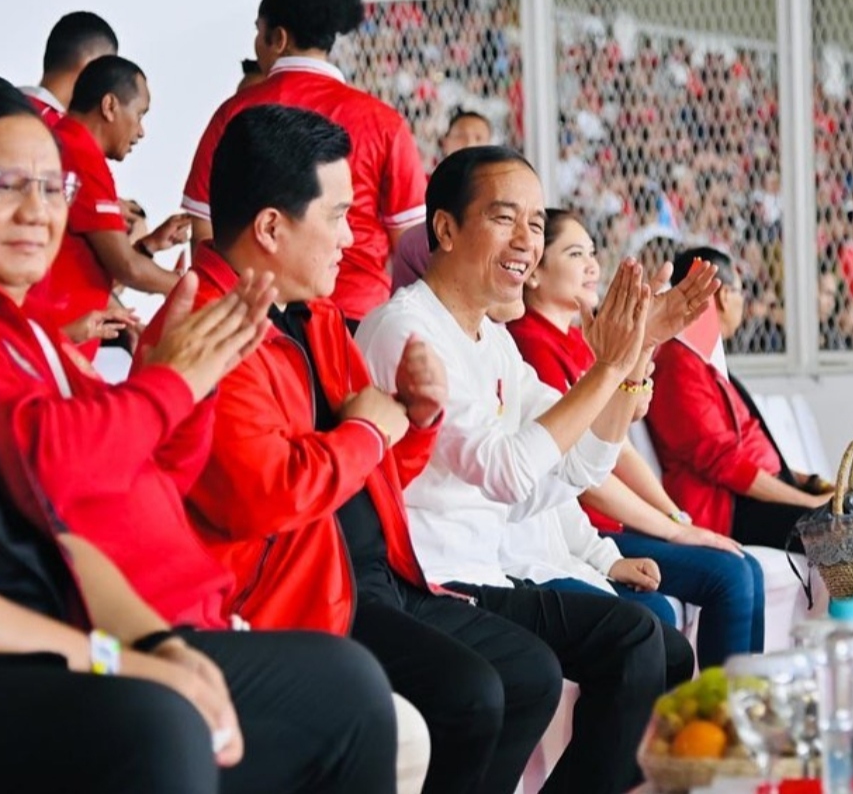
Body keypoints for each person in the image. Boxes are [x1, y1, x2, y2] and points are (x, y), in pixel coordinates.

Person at [0, 1, 399, 790]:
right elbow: (35, 490)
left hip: (127, 618)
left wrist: (156, 646)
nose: (41, 213)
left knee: (352, 690)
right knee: (168, 724)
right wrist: (170, 385)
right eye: (9, 184)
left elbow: (82, 512)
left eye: (54, 190)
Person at [150, 103, 563, 794]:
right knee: (510, 682)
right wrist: (617, 374)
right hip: (320, 585)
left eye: (550, 234)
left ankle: (821, 582)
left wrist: (413, 421)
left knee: (628, 638)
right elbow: (276, 492)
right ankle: (820, 567)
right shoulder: (212, 331)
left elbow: (377, 471)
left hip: (400, 566)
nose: (357, 239)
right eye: (341, 215)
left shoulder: (314, 317)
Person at [357, 145, 720, 793]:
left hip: (483, 571)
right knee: (623, 646)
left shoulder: (490, 337)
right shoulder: (404, 329)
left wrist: (636, 355)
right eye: (505, 218)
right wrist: (610, 367)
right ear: (444, 229)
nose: (527, 240)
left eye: (534, 222)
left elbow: (571, 468)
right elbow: (506, 472)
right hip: (427, 580)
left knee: (655, 647)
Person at [506, 209, 765, 667]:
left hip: (605, 527)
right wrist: (674, 530)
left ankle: (737, 720)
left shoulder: (577, 341)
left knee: (742, 568)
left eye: (592, 253)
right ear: (534, 274)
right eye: (574, 253)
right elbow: (583, 475)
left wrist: (673, 514)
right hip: (587, 525)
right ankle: (717, 726)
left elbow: (618, 445)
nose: (592, 266)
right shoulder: (531, 345)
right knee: (729, 576)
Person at [183, 0, 427, 327]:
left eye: (258, 31)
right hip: (359, 316)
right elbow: (411, 247)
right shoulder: (385, 122)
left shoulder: (233, 113)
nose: (256, 43)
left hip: (256, 319)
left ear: (278, 38)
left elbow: (203, 231)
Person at [645, 246, 834, 551]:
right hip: (733, 510)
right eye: (740, 292)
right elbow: (726, 463)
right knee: (850, 530)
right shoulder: (679, 366)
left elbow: (748, 448)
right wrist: (809, 502)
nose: (743, 302)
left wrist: (806, 482)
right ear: (721, 295)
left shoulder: (705, 359)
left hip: (759, 497)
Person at [35, 55, 190, 358]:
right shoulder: (81, 156)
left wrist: (149, 245)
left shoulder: (64, 143)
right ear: (109, 106)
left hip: (63, 342)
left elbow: (97, 263)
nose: (141, 131)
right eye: (140, 114)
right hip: (61, 347)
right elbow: (126, 267)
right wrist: (191, 289)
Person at [391, 107, 494, 292]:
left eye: (479, 138)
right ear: (445, 142)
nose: (470, 143)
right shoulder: (422, 185)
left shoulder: (497, 193)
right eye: (461, 136)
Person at [18, 11, 118, 127]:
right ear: (90, 65)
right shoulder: (53, 131)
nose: (109, 86)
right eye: (107, 71)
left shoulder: (5, 106)